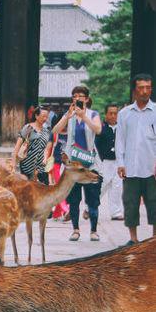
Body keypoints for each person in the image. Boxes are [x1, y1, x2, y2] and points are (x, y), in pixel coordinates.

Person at [52, 85, 103, 242]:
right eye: (74, 96)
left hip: (90, 164)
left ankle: (93, 231)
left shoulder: (93, 114)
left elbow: (98, 130)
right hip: (73, 166)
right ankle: (75, 230)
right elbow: (55, 130)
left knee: (92, 200)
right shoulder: (70, 115)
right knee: (74, 200)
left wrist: (84, 116)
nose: (77, 98)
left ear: (86, 99)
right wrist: (67, 117)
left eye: (80, 96)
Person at [116, 73, 156, 245]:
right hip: (131, 168)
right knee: (130, 203)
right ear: (134, 90)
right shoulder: (124, 114)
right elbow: (120, 140)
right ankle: (133, 239)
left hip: (152, 168)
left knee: (154, 203)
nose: (145, 91)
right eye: (141, 88)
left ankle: (154, 240)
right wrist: (120, 163)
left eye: (148, 88)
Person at [95, 103, 124, 220]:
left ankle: (116, 212)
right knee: (102, 186)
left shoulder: (122, 128)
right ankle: (89, 207)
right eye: (110, 113)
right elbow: (96, 146)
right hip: (105, 162)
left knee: (117, 187)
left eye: (115, 113)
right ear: (106, 114)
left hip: (118, 162)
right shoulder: (101, 128)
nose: (113, 116)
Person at [12, 106, 52, 184]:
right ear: (36, 116)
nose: (45, 119)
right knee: (28, 189)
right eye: (43, 116)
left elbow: (46, 148)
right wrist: (13, 166)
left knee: (43, 188)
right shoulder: (28, 128)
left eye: (46, 117)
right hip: (27, 167)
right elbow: (17, 147)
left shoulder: (46, 131)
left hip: (41, 168)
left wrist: (46, 159)